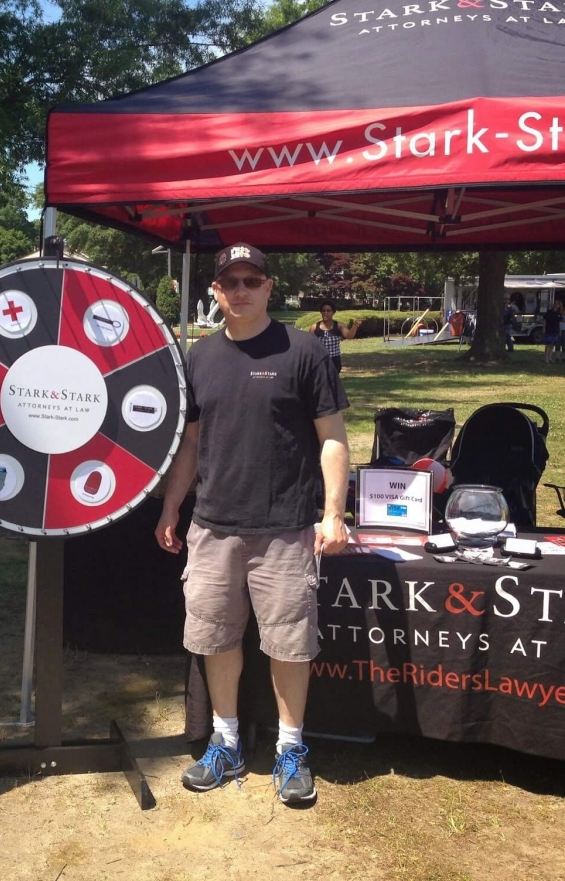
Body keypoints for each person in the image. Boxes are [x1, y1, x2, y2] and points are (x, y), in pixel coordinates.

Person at [154, 243, 350, 806]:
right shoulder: (199, 357)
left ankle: (291, 748)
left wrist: (333, 513)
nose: (240, 290)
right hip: (213, 526)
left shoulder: (304, 351)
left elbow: (332, 438)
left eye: (251, 280)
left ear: (268, 287)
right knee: (215, 638)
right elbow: (191, 443)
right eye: (230, 282)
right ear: (216, 291)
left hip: (285, 527)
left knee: (289, 644)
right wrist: (172, 507)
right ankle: (226, 741)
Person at [308, 301, 361, 373]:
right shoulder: (315, 327)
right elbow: (309, 344)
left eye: (328, 311)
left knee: (333, 379)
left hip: (334, 360)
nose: (326, 313)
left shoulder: (339, 326)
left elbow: (349, 336)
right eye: (323, 310)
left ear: (333, 312)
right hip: (319, 360)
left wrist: (355, 326)